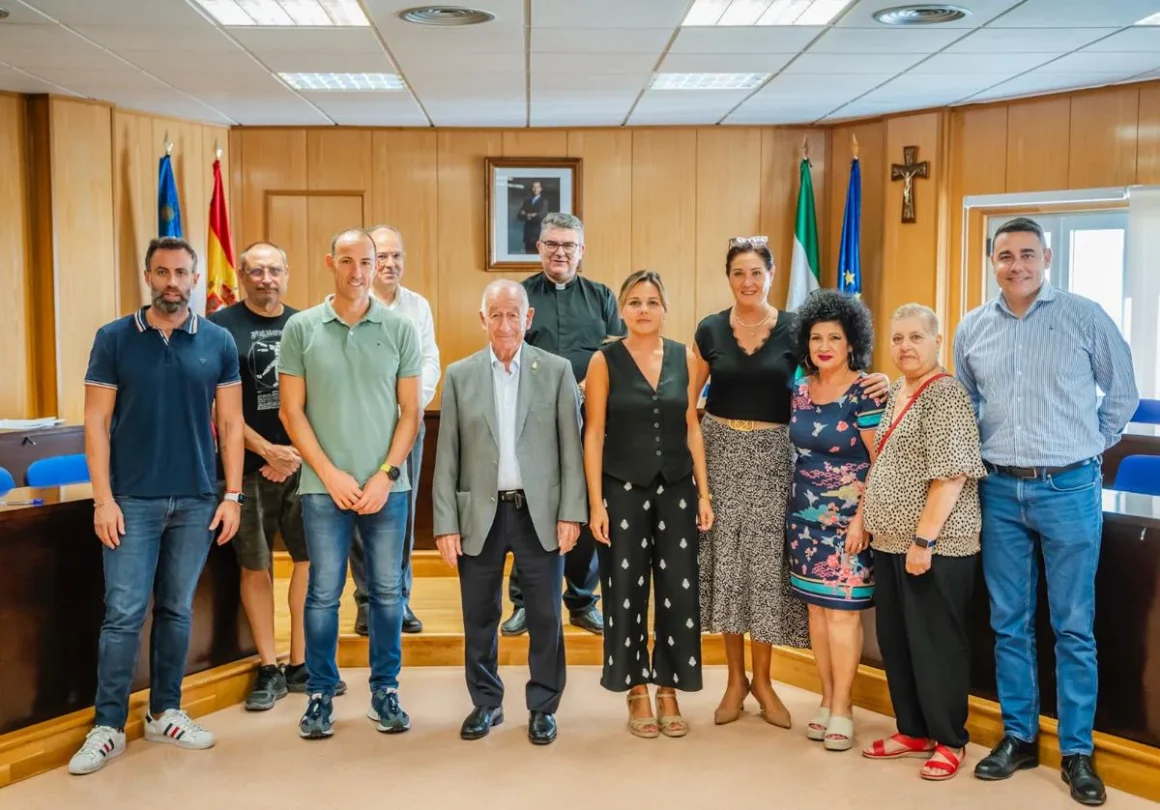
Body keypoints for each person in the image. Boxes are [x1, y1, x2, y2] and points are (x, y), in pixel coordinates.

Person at [955, 216, 1138, 806]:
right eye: (1005, 255)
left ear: (1048, 258)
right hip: (1000, 491)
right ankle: (1018, 737)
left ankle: (1077, 750)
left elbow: (1123, 394)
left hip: (1069, 490)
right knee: (1009, 622)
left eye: (1027, 254)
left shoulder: (1084, 316)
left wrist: (1084, 447)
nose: (1017, 265)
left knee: (1072, 625)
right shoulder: (972, 328)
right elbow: (965, 404)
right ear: (992, 262)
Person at [693, 236, 887, 731]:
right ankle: (734, 681)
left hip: (776, 461)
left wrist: (884, 381)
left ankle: (764, 680)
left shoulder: (795, 331)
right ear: (728, 277)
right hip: (720, 456)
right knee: (728, 568)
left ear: (772, 275)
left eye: (756, 272)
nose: (748, 281)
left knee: (764, 571)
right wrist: (700, 484)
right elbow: (687, 405)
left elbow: (834, 383)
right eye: (739, 272)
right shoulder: (709, 329)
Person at [69, 236, 244, 775]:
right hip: (131, 500)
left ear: (195, 279)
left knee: (176, 609)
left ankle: (166, 711)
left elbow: (232, 424)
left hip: (196, 498)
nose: (172, 282)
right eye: (162, 272)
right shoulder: (115, 338)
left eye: (182, 273)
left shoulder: (216, 340)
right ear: (148, 276)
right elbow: (96, 423)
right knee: (123, 615)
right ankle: (107, 725)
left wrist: (232, 494)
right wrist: (103, 499)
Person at [278, 228, 422, 740]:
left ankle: (385, 691)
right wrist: (331, 474)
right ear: (330, 263)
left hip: (387, 489)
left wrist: (385, 474)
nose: (358, 271)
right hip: (323, 488)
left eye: (367, 260)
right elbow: (292, 412)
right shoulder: (301, 328)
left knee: (387, 595)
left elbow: (411, 412)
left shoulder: (400, 328)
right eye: (347, 261)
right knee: (322, 594)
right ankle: (319, 694)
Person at [432, 279, 586, 746]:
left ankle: (543, 705)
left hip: (539, 512)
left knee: (544, 615)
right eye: (494, 314)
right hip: (479, 513)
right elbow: (448, 455)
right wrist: (445, 523)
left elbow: (570, 450)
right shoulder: (459, 375)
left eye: (512, 314)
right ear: (483, 320)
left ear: (528, 319)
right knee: (479, 613)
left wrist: (571, 514)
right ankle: (486, 702)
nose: (504, 323)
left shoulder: (556, 371)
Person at [584, 271, 713, 738]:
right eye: (635, 302)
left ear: (665, 308)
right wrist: (596, 502)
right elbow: (594, 433)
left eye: (652, 302)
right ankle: (636, 687)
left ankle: (669, 688)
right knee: (625, 588)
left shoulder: (686, 357)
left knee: (679, 588)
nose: (643, 309)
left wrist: (703, 492)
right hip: (622, 489)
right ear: (622, 309)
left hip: (677, 486)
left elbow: (691, 427)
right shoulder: (605, 360)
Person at [861, 303, 986, 781]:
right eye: (897, 338)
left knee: (936, 643)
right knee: (898, 641)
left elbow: (951, 477)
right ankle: (912, 729)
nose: (905, 346)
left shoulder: (946, 394)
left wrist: (923, 541)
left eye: (916, 337)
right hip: (891, 542)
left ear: (938, 341)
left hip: (935, 546)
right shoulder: (898, 390)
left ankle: (950, 739)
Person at [209, 241, 332, 709]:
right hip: (246, 467)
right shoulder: (219, 329)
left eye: (274, 270)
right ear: (241, 275)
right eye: (256, 271)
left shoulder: (307, 325)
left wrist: (296, 454)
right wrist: (267, 452)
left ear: (288, 274)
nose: (266, 278)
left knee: (310, 562)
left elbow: (321, 398)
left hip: (304, 466)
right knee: (255, 564)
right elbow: (219, 409)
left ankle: (301, 662)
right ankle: (268, 666)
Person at [502, 211, 624, 638]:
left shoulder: (603, 296)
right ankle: (524, 601)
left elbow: (617, 354)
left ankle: (580, 598)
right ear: (538, 248)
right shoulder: (520, 295)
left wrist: (589, 385)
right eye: (551, 244)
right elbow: (508, 353)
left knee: (588, 506)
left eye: (568, 245)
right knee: (529, 512)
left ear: (581, 251)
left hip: (592, 421)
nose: (560, 252)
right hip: (531, 423)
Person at [787, 289, 884, 751]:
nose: (824, 345)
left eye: (835, 337)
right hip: (803, 517)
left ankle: (845, 707)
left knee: (844, 615)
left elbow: (879, 461)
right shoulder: (801, 390)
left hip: (849, 519)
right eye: (816, 338)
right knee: (818, 613)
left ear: (851, 343)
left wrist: (862, 520)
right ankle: (826, 701)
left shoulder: (866, 391)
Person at [350, 224, 441, 637]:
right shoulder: (346, 305)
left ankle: (399, 600)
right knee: (358, 513)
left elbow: (429, 362)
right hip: (357, 428)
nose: (389, 264)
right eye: (380, 256)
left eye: (396, 256)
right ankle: (368, 602)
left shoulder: (417, 306)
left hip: (408, 425)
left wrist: (410, 407)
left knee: (399, 514)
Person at [517, 181, 549, 253]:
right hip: (527, 235)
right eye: (533, 187)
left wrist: (526, 214)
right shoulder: (527, 201)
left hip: (538, 235)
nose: (535, 189)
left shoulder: (544, 201)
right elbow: (519, 216)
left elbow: (540, 216)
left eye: (537, 187)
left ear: (541, 189)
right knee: (528, 258)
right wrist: (531, 215)